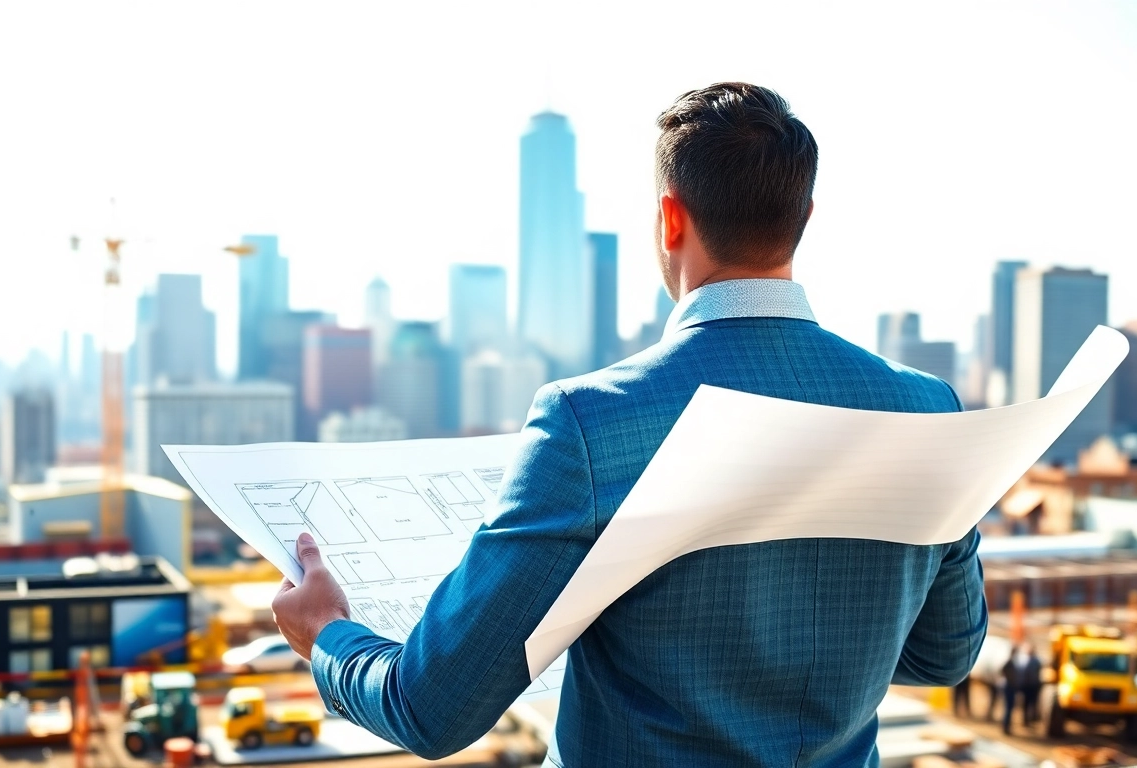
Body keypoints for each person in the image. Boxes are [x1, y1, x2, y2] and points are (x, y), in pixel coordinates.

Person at [271, 82, 988, 767]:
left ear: (670, 220)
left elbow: (431, 711)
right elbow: (943, 654)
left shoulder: (589, 424)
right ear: (802, 217)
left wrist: (326, 633)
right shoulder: (926, 409)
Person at [1001, 641, 1043, 734]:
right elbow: (1003, 672)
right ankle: (1006, 726)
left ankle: (1014, 724)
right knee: (1009, 707)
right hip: (1011, 687)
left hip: (1026, 686)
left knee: (1016, 706)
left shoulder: (1035, 661)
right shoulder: (1010, 662)